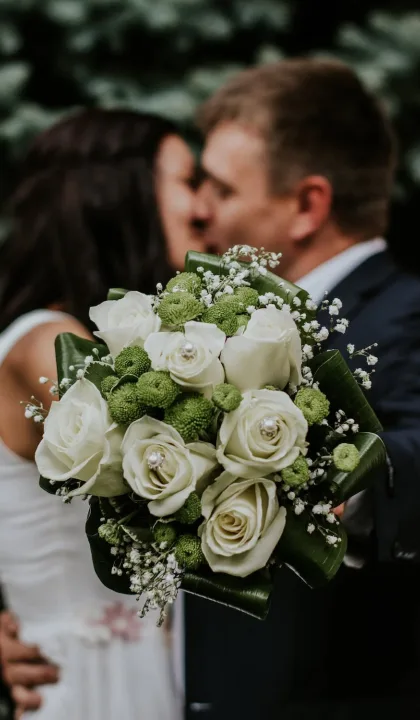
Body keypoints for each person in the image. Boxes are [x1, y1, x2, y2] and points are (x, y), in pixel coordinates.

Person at [183, 59, 420, 719]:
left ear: (308, 206)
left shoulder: (405, 313)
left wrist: (346, 478)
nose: (199, 209)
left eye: (222, 189)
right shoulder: (218, 328)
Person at [0, 108, 202, 720]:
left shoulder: (81, 341)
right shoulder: (48, 343)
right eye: (187, 181)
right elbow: (163, 465)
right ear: (120, 193)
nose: (203, 207)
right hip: (86, 679)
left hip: (142, 668)